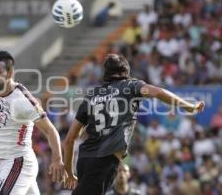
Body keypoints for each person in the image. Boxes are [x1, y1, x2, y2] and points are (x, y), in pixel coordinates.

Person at [64, 54, 205, 195]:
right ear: (126, 70)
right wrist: (188, 106)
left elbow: (70, 139)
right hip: (105, 160)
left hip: (84, 159)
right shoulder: (130, 86)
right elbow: (158, 92)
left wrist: (70, 172)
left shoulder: (91, 95)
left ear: (106, 73)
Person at [0, 51, 65, 195]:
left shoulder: (21, 100)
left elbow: (50, 129)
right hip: (5, 163)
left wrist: (57, 160)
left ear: (10, 73)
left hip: (18, 163)